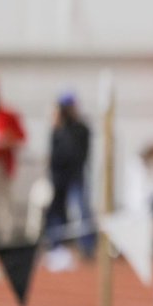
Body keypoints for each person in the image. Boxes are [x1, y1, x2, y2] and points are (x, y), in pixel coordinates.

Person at [43, 92, 95, 258]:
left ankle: (88, 246)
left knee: (82, 210)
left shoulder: (82, 128)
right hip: (59, 177)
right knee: (56, 211)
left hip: (75, 176)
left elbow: (79, 153)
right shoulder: (57, 129)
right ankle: (55, 245)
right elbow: (53, 155)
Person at [0, 74, 26, 245]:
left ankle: (6, 242)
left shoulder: (7, 114)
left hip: (0, 166)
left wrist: (5, 142)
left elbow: (21, 138)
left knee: (3, 204)